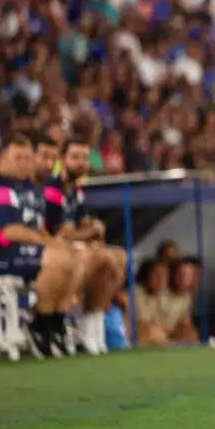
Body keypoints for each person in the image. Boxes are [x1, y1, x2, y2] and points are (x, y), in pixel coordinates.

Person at [0, 133, 95, 356]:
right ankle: (40, 324)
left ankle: (56, 322)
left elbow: (37, 225)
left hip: (14, 254)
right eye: (18, 158)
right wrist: (51, 242)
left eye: (27, 158)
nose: (24, 163)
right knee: (56, 256)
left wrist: (57, 242)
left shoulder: (27, 188)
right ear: (1, 159)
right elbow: (12, 231)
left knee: (76, 255)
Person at [43, 136, 128, 353]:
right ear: (63, 159)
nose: (81, 162)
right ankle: (84, 327)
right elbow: (62, 232)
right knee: (104, 258)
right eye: (75, 157)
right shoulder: (53, 189)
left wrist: (91, 230)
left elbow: (83, 225)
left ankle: (94, 322)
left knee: (118, 256)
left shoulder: (77, 192)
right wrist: (91, 230)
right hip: (54, 254)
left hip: (76, 250)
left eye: (84, 157)